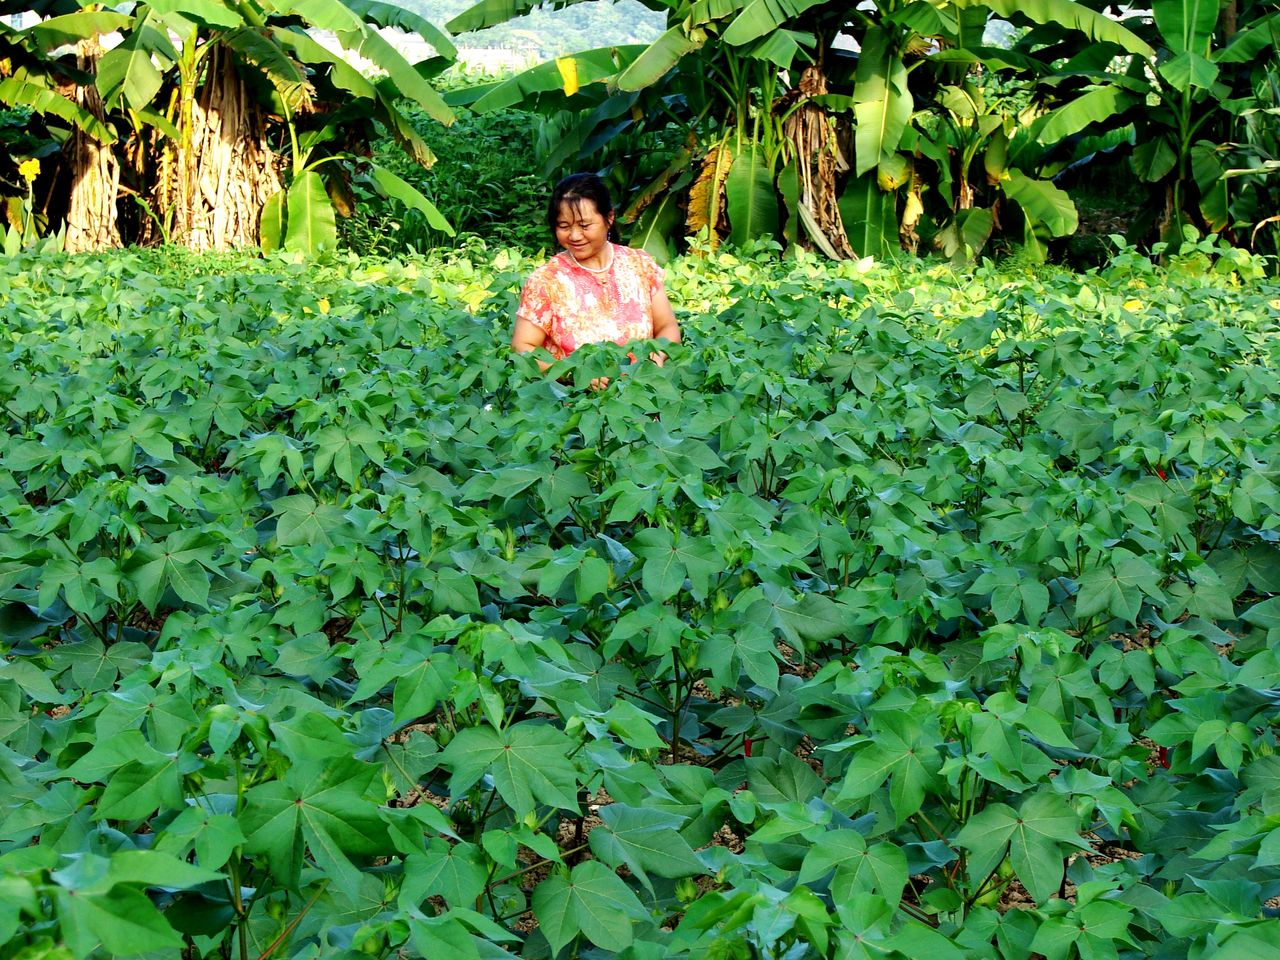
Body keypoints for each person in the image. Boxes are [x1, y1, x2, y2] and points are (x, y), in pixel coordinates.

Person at [512, 173, 679, 384]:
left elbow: (667, 326)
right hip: (574, 402)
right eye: (564, 226)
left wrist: (658, 355)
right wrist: (577, 374)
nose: (574, 235)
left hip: (643, 393)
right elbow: (523, 349)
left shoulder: (639, 265)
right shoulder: (547, 280)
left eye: (584, 225)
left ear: (609, 218)